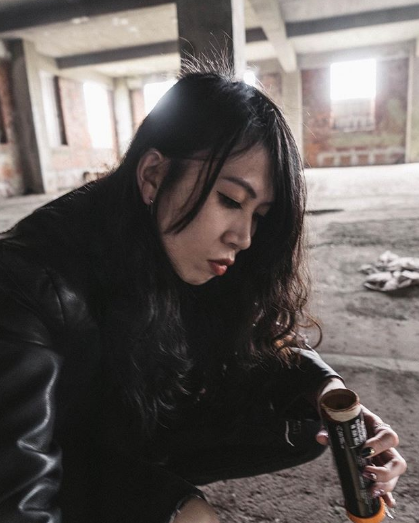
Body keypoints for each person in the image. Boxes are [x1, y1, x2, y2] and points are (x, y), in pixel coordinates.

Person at [0, 67, 406, 523]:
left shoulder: (169, 240)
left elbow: (258, 342)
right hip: (60, 456)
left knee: (303, 418)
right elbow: (17, 496)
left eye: (259, 214)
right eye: (230, 200)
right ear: (153, 175)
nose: (244, 237)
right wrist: (172, 508)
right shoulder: (26, 281)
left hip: (112, 429)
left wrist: (329, 391)